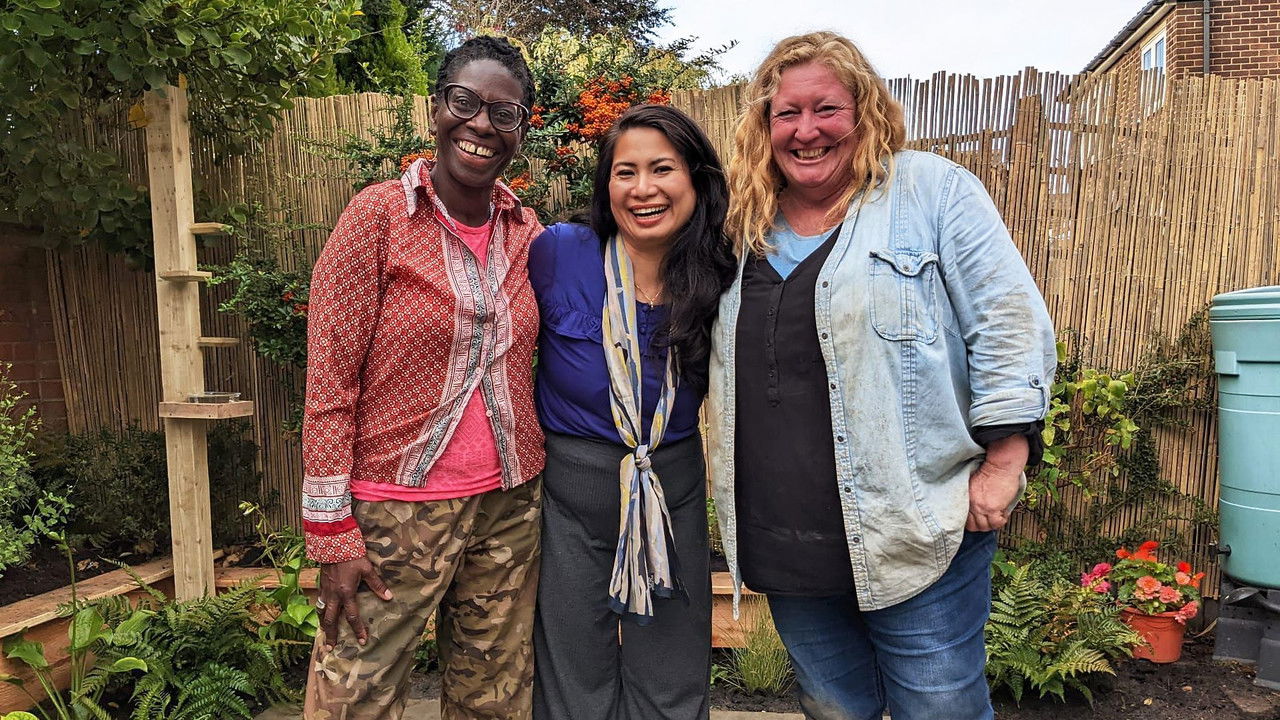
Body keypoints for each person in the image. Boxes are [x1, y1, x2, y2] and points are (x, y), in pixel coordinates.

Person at [708, 31, 1057, 720]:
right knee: (834, 708)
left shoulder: (931, 193)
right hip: (785, 536)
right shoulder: (741, 223)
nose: (806, 130)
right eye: (787, 113)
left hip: (915, 526)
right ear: (764, 125)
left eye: (826, 109)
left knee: (940, 709)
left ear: (864, 111)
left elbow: (1009, 320)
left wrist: (1005, 460)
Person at [300, 36, 545, 720]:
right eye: (464, 102)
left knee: (494, 698)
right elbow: (329, 386)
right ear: (436, 108)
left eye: (503, 112)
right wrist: (332, 532)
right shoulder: (377, 217)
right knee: (355, 696)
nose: (481, 124)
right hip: (393, 512)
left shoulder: (526, 231)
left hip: (508, 505)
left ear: (521, 129)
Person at [528, 104, 736, 720]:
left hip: (672, 487)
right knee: (571, 671)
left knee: (672, 669)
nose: (643, 189)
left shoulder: (724, 271)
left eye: (662, 169)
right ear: (606, 184)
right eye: (626, 172)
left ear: (695, 179)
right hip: (571, 492)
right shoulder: (559, 253)